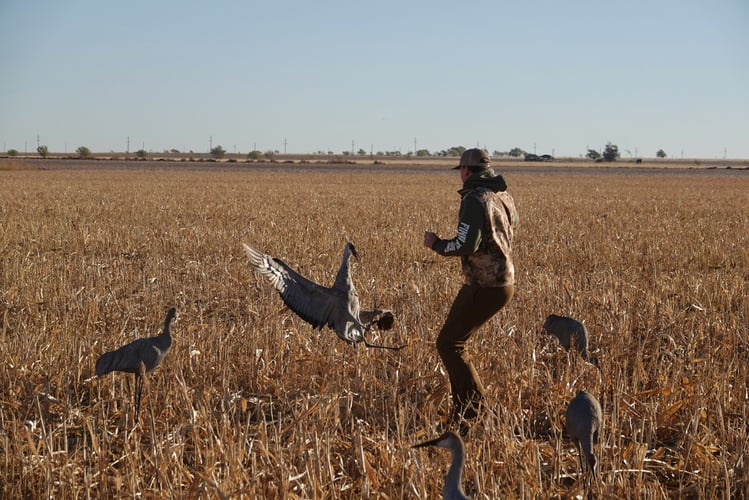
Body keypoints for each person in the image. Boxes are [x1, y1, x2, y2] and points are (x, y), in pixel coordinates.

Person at [423, 148, 518, 429]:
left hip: (485, 284)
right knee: (453, 343)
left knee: (449, 344)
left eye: (461, 170)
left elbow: (466, 244)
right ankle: (471, 410)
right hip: (504, 282)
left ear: (466, 171)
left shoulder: (475, 200)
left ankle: (473, 413)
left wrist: (436, 244)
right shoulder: (503, 197)